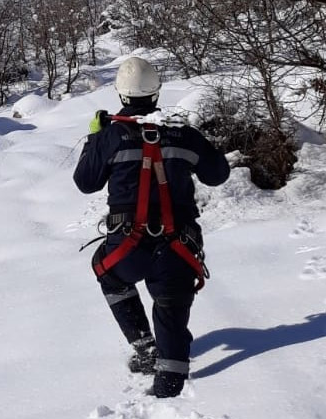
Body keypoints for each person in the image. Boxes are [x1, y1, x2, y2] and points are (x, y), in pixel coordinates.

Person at [73, 57, 230, 398]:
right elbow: (217, 175)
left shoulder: (110, 135)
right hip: (179, 246)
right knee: (171, 306)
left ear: (120, 94)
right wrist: (195, 141)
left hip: (128, 247)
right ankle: (170, 385)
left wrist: (94, 139)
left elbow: (86, 182)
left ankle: (145, 348)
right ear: (157, 92)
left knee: (108, 272)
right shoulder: (183, 134)